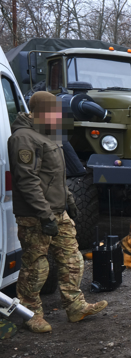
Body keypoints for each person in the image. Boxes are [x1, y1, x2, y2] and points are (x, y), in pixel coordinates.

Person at [8, 91, 107, 333]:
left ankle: (75, 307)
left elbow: (56, 177)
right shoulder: (23, 138)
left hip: (58, 212)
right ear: (40, 111)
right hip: (35, 215)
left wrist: (69, 200)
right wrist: (44, 214)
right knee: (36, 266)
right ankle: (31, 314)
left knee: (73, 259)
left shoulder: (49, 135)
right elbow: (27, 181)